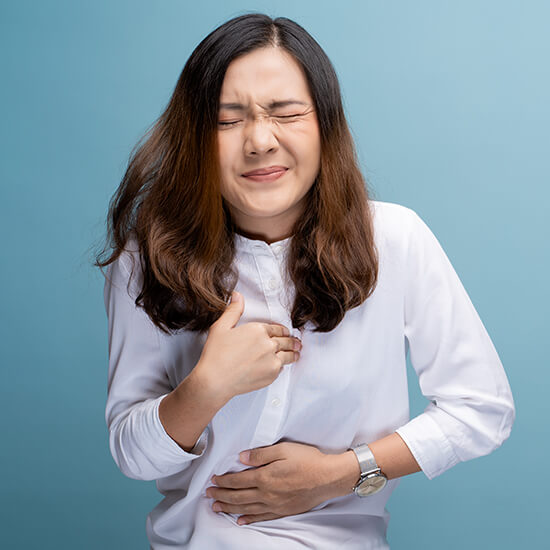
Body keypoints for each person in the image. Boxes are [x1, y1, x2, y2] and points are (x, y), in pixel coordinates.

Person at [96, 13, 515, 550]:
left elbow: (482, 409)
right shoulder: (147, 258)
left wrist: (344, 472)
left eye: (287, 113)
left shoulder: (394, 238)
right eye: (227, 120)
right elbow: (133, 456)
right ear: (195, 138)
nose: (260, 141)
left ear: (325, 125)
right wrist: (206, 387)